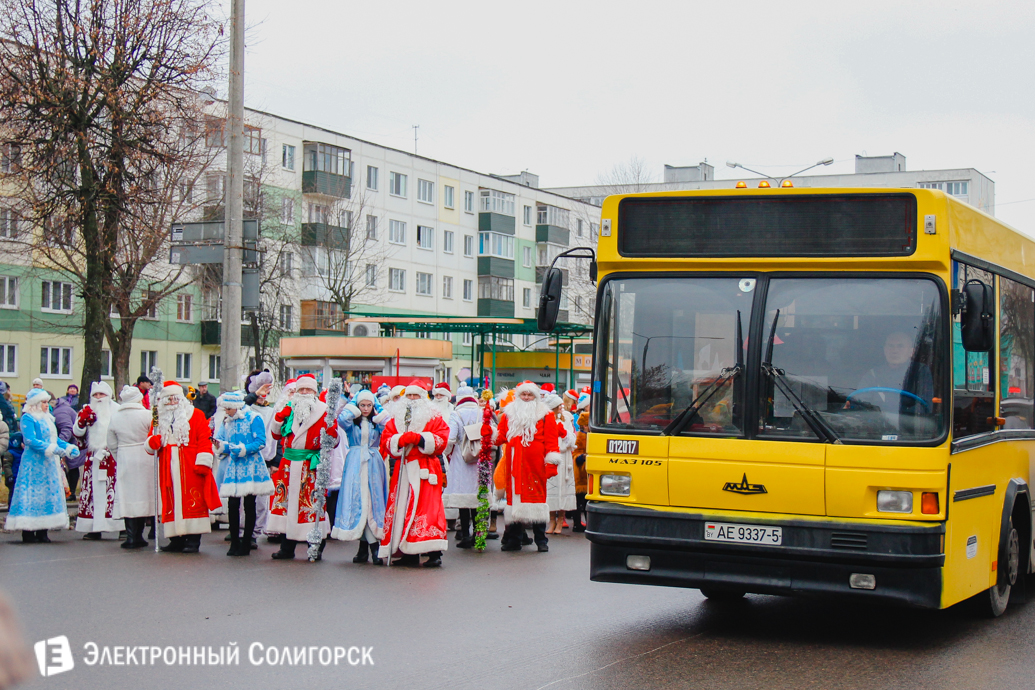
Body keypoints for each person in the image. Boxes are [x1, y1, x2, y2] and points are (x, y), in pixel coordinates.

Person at [378, 381, 450, 567]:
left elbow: (442, 439)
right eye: (408, 396)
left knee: (429, 511)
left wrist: (420, 438)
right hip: (404, 469)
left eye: (415, 396)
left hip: (425, 468)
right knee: (402, 509)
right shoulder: (395, 419)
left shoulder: (434, 417)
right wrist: (398, 440)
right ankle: (408, 552)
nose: (411, 399)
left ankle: (434, 553)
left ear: (423, 397)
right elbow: (386, 439)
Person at [268, 374, 339, 560]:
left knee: (311, 506)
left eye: (308, 389)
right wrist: (279, 417)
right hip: (289, 464)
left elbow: (334, 441)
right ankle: (286, 547)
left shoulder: (324, 411)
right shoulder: (289, 410)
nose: (305, 392)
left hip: (310, 465)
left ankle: (315, 547)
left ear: (314, 392)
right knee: (288, 505)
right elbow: (275, 436)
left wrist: (331, 433)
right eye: (301, 389)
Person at [145, 381, 221, 554]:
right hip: (167, 464)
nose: (172, 402)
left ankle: (193, 540)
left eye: (175, 398)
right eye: (168, 399)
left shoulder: (196, 415)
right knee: (171, 501)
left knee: (193, 500)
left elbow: (204, 438)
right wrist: (152, 442)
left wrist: (203, 461)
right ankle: (175, 539)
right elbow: (150, 441)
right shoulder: (158, 417)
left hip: (190, 463)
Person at [494, 380, 560, 552]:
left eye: (530, 394)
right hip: (514, 463)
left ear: (536, 396)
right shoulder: (509, 413)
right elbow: (501, 436)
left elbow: (552, 440)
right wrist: (489, 434)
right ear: (518, 395)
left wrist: (551, 463)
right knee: (514, 500)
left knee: (537, 499)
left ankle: (541, 540)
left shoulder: (546, 415)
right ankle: (514, 539)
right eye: (523, 394)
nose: (526, 397)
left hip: (535, 463)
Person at [5, 389, 79, 542]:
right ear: (36, 404)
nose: (47, 405)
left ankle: (43, 531)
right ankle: (28, 531)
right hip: (33, 463)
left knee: (47, 494)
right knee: (32, 494)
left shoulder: (48, 419)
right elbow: (30, 441)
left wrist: (68, 447)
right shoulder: (28, 418)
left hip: (48, 463)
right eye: (44, 402)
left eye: (47, 402)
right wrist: (52, 449)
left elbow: (55, 439)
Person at [331, 389, 390, 564]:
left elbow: (388, 425)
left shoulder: (376, 422)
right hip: (355, 461)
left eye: (368, 405)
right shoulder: (352, 423)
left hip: (373, 461)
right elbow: (341, 419)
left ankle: (365, 549)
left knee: (372, 502)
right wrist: (353, 406)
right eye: (362, 405)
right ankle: (372, 548)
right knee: (358, 501)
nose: (365, 409)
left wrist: (379, 412)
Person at [213, 391, 272, 557]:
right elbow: (228, 444)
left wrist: (244, 449)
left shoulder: (254, 418)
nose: (226, 411)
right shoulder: (228, 422)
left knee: (249, 503)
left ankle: (246, 542)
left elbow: (261, 442)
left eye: (228, 408)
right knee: (232, 504)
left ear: (236, 407)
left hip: (251, 465)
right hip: (234, 465)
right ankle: (234, 542)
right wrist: (221, 446)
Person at [73, 381, 123, 539]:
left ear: (109, 396)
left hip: (113, 457)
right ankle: (94, 528)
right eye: (96, 394)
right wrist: (82, 422)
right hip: (94, 458)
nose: (99, 397)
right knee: (93, 493)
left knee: (115, 492)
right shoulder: (87, 410)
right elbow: (77, 433)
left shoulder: (117, 409)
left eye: (102, 394)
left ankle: (121, 526)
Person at [108, 385, 155, 549]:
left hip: (125, 457)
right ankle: (140, 535)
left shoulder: (115, 417)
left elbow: (111, 443)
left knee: (128, 497)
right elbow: (155, 436)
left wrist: (119, 455)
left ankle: (131, 536)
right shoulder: (147, 415)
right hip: (145, 456)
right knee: (142, 496)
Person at [856, 331, 934, 415]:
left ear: (911, 352)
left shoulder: (920, 372)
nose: (894, 350)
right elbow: (860, 403)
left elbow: (923, 406)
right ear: (884, 350)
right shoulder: (873, 374)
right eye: (890, 346)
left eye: (900, 346)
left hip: (909, 424)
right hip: (877, 423)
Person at [443, 386, 483, 548]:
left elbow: (451, 438)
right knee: (477, 497)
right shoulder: (481, 412)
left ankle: (465, 534)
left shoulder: (456, 414)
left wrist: (444, 453)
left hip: (461, 458)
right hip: (480, 457)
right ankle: (478, 534)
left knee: (463, 498)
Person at [545, 394, 577, 534]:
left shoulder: (566, 418)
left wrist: (563, 433)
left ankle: (560, 521)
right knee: (551, 488)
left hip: (564, 458)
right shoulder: (545, 419)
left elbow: (572, 439)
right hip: (551, 456)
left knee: (562, 489)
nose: (560, 407)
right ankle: (551, 520)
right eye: (558, 405)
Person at [50, 393, 79, 498]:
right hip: (72, 442)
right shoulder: (60, 409)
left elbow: (67, 429)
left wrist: (59, 445)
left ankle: (70, 492)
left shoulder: (59, 412)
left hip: (72, 443)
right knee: (71, 467)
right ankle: (69, 492)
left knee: (72, 467)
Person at [572, 393, 590, 532]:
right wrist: (582, 457)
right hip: (581, 472)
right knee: (579, 500)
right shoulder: (580, 436)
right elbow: (576, 452)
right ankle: (577, 523)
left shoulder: (592, 436)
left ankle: (589, 522)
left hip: (589, 471)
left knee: (588, 501)